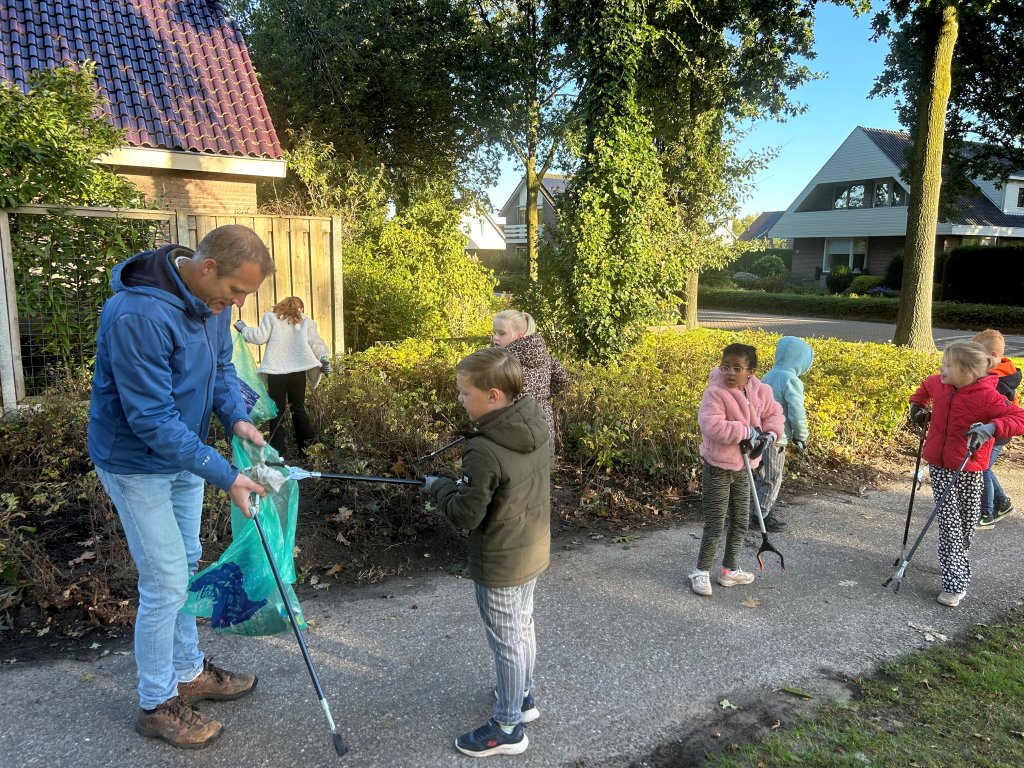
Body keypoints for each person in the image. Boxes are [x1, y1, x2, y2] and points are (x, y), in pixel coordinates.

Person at [88, 225, 274, 748]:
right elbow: (149, 418)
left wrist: (236, 417)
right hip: (134, 461)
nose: (236, 304)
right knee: (166, 581)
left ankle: (188, 671)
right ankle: (155, 702)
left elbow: (219, 371)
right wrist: (227, 475)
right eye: (236, 291)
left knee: (187, 561)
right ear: (208, 266)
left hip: (182, 457)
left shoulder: (213, 308)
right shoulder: (137, 315)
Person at [421, 347, 551, 757]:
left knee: (507, 642)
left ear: (493, 395)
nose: (459, 399)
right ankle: (523, 697)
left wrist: (438, 487)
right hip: (531, 548)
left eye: (464, 393)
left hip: (500, 560)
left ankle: (509, 726)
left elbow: (465, 515)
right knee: (522, 626)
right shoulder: (534, 420)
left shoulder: (483, 449)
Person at [908, 341, 1024, 607]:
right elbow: (924, 389)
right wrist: (917, 406)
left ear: (969, 372)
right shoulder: (939, 383)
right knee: (950, 526)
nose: (942, 369)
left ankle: (954, 561)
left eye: (949, 365)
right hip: (939, 465)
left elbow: (1019, 418)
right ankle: (955, 583)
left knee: (966, 525)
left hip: (971, 468)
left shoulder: (988, 396)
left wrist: (993, 427)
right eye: (942, 363)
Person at [690, 343, 784, 597]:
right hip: (717, 468)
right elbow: (711, 426)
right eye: (726, 366)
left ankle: (729, 570)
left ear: (750, 372)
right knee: (715, 523)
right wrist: (746, 432)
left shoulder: (760, 391)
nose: (729, 372)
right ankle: (701, 572)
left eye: (737, 368)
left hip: (744, 468)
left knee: (741, 521)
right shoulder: (715, 393)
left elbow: (774, 415)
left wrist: (770, 435)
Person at [234, 296, 331, 457]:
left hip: (276, 372)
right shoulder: (305, 321)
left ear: (281, 306)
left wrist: (243, 328)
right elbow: (316, 343)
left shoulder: (271, 318)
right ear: (301, 308)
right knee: (298, 409)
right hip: (298, 372)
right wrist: (323, 358)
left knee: (276, 411)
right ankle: (308, 450)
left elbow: (258, 337)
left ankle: (277, 452)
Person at [751, 336, 814, 532]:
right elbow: (796, 412)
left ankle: (753, 509)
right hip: (777, 438)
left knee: (760, 475)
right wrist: (801, 436)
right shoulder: (791, 380)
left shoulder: (769, 375)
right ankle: (762, 515)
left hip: (758, 434)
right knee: (772, 477)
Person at [492, 309, 569, 444]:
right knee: (542, 463)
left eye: (502, 333)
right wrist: (543, 396)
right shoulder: (546, 357)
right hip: (543, 424)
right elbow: (563, 378)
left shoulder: (504, 362)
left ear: (519, 335)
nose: (496, 337)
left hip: (515, 425)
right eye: (495, 332)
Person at [971, 329, 1020, 526]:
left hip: (997, 432)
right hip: (991, 430)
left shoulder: (998, 382)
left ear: (992, 356)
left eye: (977, 353)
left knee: (982, 470)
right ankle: (1003, 503)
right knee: (986, 469)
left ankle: (987, 513)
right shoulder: (997, 374)